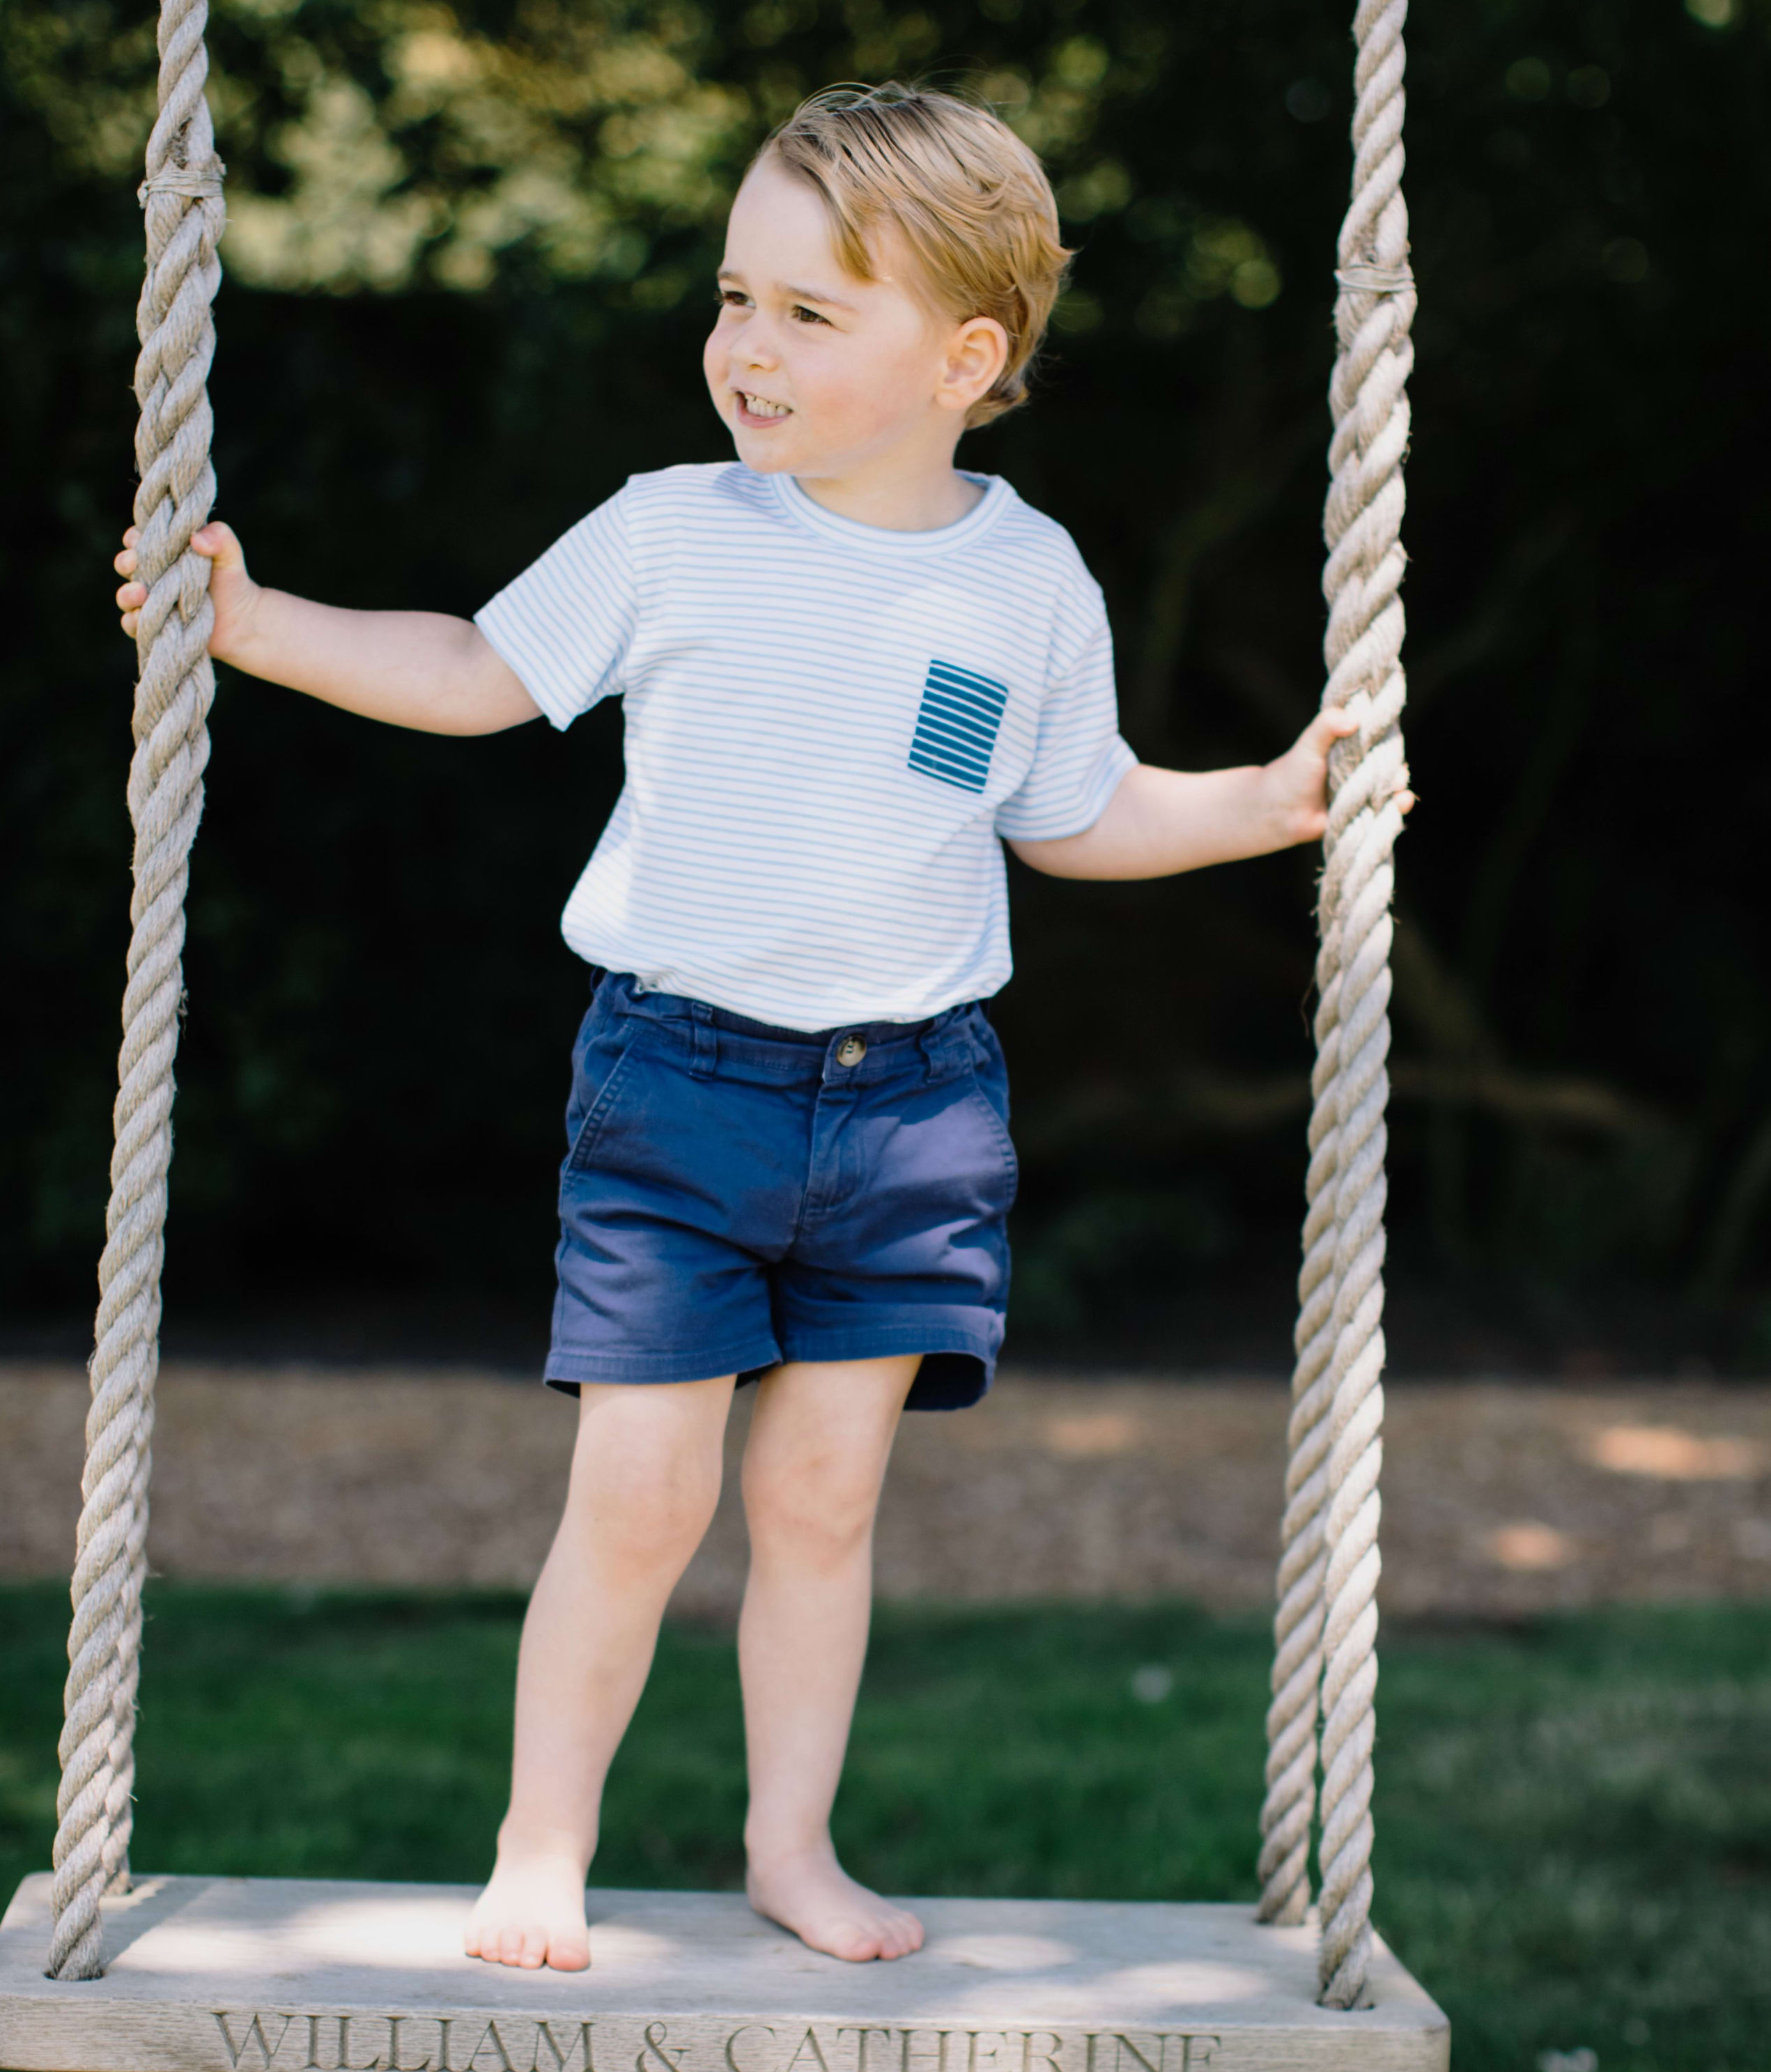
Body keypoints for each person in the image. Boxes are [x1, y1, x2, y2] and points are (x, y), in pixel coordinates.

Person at [114, 83, 1405, 1976]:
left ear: (965, 360)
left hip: (918, 1106)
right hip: (682, 1082)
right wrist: (257, 625)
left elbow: (1073, 813)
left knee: (823, 1495)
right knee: (642, 1491)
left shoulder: (1024, 581)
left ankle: (791, 1846)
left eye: (810, 311)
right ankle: (541, 1842)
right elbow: (475, 671)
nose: (747, 345)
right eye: (736, 297)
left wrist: (1269, 802)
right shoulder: (674, 535)